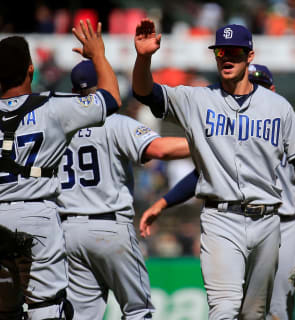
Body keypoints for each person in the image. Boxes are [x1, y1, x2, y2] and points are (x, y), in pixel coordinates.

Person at [132, 19, 295, 319]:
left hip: (269, 221)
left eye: (234, 51)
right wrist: (144, 58)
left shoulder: (278, 108)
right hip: (221, 219)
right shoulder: (197, 99)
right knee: (225, 309)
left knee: (256, 314)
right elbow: (146, 93)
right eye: (220, 52)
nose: (226, 57)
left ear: (249, 55)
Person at [0, 20, 121, 320]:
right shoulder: (53, 106)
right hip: (38, 216)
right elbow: (111, 99)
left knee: (0, 311)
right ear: (30, 69)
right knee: (47, 307)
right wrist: (98, 56)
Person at [57, 60, 191, 319]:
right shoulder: (114, 122)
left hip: (68, 230)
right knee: (138, 310)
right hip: (109, 226)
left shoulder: (59, 127)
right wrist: (208, 142)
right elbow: (160, 149)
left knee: (81, 315)